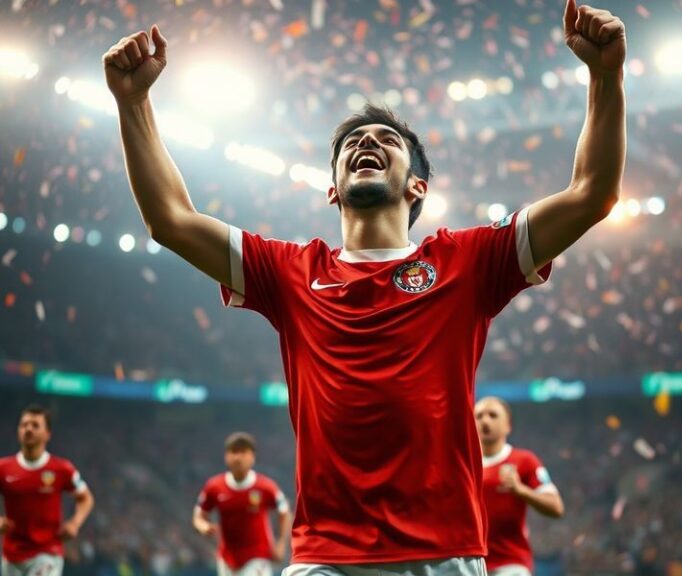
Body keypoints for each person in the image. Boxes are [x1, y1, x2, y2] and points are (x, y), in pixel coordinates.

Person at [102, 0, 625, 572]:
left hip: (442, 551)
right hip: (326, 554)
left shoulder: (468, 260)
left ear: (417, 187)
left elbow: (591, 193)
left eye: (386, 139)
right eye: (349, 143)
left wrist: (605, 76)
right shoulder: (288, 271)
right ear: (332, 189)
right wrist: (134, 103)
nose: (364, 142)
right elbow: (170, 220)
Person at [0, 405, 94, 576]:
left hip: (47, 552)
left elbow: (86, 498)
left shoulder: (61, 469)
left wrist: (75, 523)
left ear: (48, 434)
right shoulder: (3, 468)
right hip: (12, 555)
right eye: (24, 425)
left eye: (35, 425)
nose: (28, 429)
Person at [474, 397, 564, 576]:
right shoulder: (464, 465)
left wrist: (520, 490)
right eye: (479, 416)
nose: (485, 420)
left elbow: (556, 507)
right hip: (471, 562)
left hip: (510, 562)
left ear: (508, 425)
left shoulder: (524, 461)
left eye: (493, 415)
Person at [194, 432, 291, 576]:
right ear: (226, 457)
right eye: (233, 452)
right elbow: (199, 515)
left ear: (252, 457)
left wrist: (281, 544)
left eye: (243, 452)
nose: (238, 457)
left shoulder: (266, 486)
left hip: (257, 556)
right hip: (227, 558)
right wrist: (203, 526)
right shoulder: (214, 487)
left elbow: (285, 512)